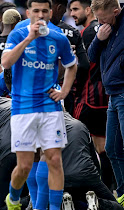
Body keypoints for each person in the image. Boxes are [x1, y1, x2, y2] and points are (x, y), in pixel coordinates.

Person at [1, 0, 77, 210]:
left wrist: (63, 91)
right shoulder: (18, 33)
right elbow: (6, 62)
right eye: (36, 11)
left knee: (54, 158)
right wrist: (29, 39)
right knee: (24, 166)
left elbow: (72, 65)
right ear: (28, 12)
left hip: (50, 106)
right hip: (23, 108)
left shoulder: (58, 37)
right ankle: (12, 198)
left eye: (45, 11)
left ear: (51, 12)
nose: (41, 15)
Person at [69, 0, 115, 193]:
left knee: (92, 146)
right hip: (104, 95)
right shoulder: (106, 27)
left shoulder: (88, 32)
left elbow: (86, 64)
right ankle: (110, 188)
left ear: (89, 10)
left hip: (89, 97)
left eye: (76, 9)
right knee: (104, 146)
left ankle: (102, 190)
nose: (72, 13)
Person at [88, 0, 124, 199]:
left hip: (122, 90)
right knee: (111, 148)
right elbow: (92, 56)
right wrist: (99, 39)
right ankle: (123, 193)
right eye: (98, 20)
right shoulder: (105, 28)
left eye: (102, 19)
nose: (100, 23)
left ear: (116, 11)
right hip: (113, 94)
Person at [51, 0, 90, 116]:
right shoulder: (73, 32)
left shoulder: (30, 29)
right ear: (59, 8)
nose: (68, 14)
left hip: (37, 91)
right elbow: (84, 65)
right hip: (67, 91)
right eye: (66, 10)